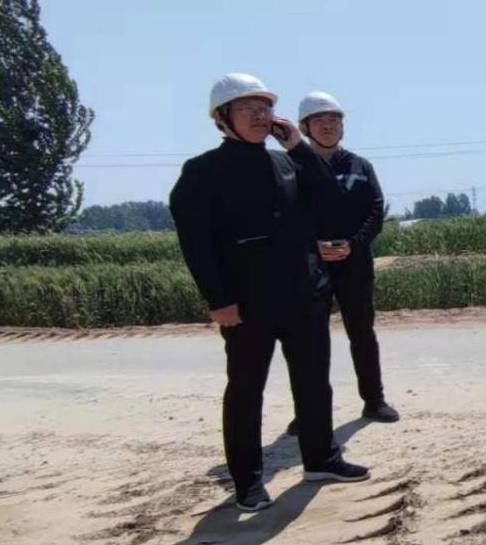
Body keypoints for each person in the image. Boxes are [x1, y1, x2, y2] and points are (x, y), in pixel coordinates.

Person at [170, 73, 370, 513]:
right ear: (222, 118)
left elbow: (331, 200)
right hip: (246, 303)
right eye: (248, 109)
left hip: (304, 294)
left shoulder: (287, 163)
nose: (260, 116)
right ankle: (248, 481)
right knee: (246, 390)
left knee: (314, 383)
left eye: (265, 109)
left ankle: (321, 458)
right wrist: (218, 300)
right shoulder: (201, 172)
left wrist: (299, 146)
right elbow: (196, 244)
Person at [282, 91, 399, 434]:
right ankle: (308, 413)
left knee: (362, 333)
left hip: (355, 264)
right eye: (320, 120)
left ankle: (374, 400)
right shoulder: (291, 168)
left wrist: (353, 245)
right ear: (304, 127)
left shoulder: (361, 167)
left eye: (334, 120)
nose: (328, 125)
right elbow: (285, 216)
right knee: (310, 343)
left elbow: (376, 211)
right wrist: (312, 247)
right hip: (311, 267)